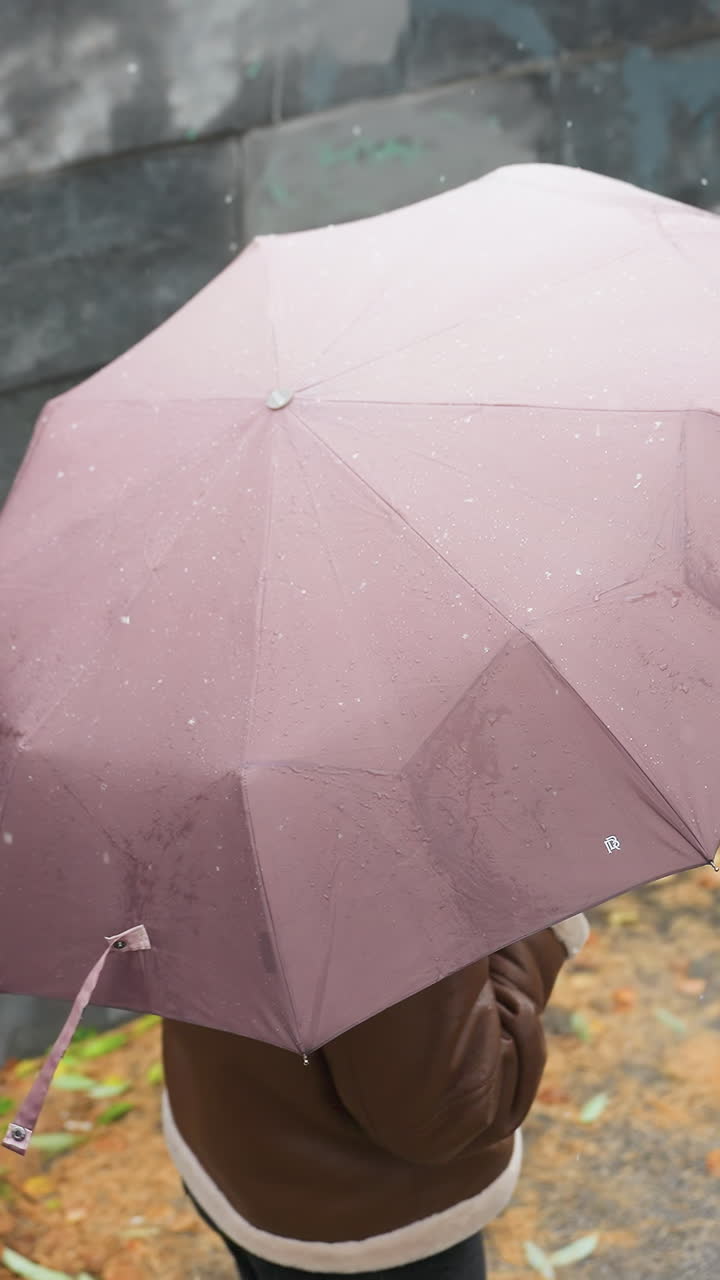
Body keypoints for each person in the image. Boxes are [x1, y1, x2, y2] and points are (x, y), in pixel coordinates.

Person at [162, 914, 589, 1279]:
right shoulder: (375, 851)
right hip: (368, 1221)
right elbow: (449, 1114)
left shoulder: (215, 820)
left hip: (225, 1130)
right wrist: (541, 923)